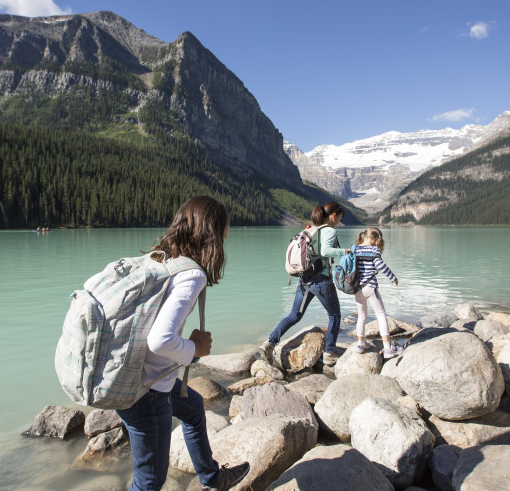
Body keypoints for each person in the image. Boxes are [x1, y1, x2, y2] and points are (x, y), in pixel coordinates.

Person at [116, 196, 249, 491]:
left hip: (132, 374)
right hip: (146, 391)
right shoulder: (190, 275)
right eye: (225, 229)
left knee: (193, 407)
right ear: (213, 232)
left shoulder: (161, 258)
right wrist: (195, 350)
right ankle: (211, 478)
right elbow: (160, 340)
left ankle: (212, 478)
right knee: (149, 479)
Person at [256, 202, 348, 366]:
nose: (339, 221)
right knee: (334, 316)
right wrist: (345, 251)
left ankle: (269, 344)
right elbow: (326, 251)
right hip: (321, 281)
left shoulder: (310, 230)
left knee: (294, 316)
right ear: (333, 215)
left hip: (305, 280)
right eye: (340, 217)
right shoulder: (329, 231)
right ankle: (329, 353)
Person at [352, 227, 401, 358]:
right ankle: (387, 348)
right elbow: (380, 265)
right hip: (370, 286)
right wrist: (392, 277)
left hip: (356, 288)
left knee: (361, 316)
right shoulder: (374, 249)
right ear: (373, 239)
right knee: (381, 315)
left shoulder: (355, 248)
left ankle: (360, 344)